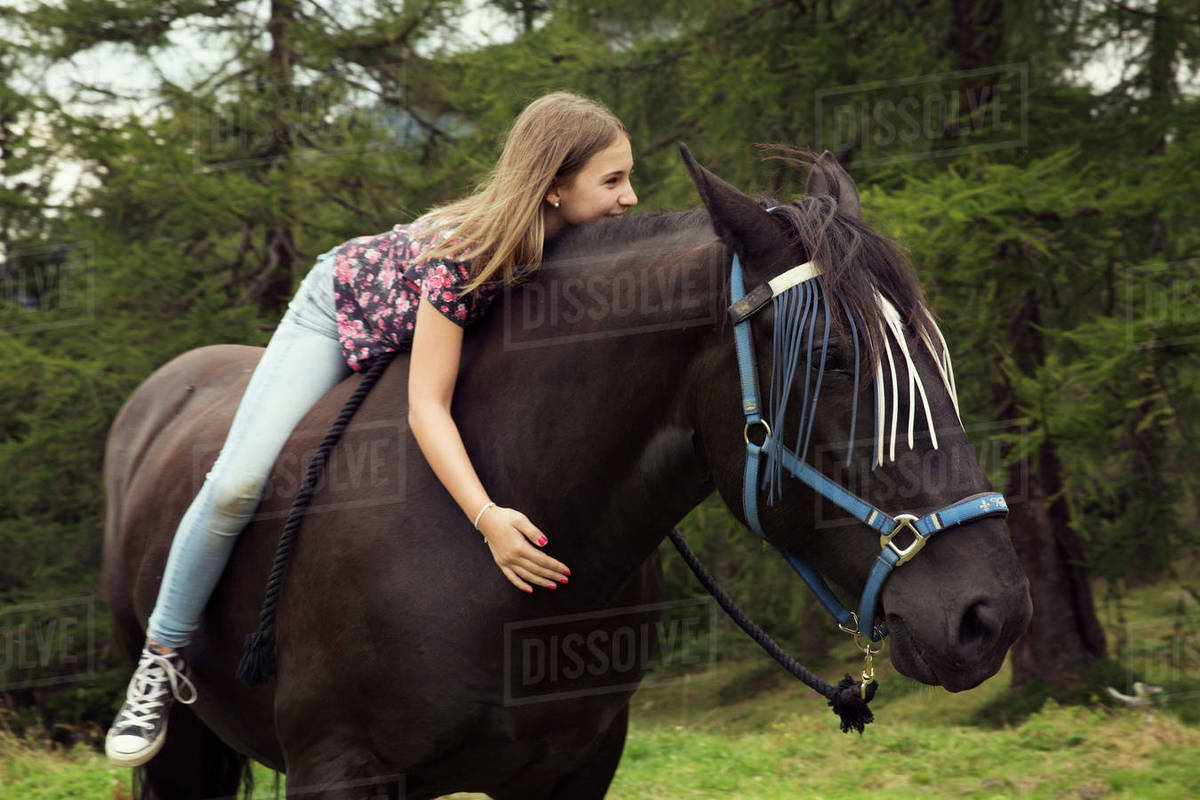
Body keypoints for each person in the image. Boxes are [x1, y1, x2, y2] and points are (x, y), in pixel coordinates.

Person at [104, 91, 638, 767]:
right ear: (555, 188)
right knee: (238, 481)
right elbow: (427, 408)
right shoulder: (469, 258)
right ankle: (159, 660)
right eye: (613, 180)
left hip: (418, 321)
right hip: (337, 311)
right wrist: (486, 517)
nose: (630, 197)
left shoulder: (577, 256)